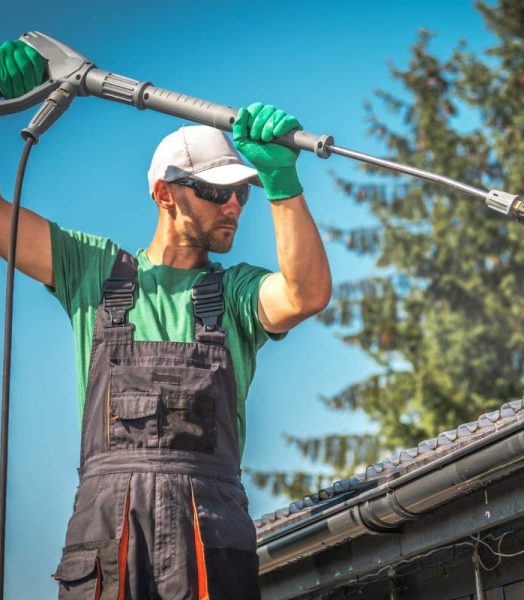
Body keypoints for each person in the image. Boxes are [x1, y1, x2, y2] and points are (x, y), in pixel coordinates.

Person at [0, 40, 331, 598]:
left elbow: (304, 295)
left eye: (241, 194)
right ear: (164, 193)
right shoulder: (93, 269)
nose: (232, 206)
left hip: (211, 528)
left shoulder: (236, 294)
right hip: (109, 532)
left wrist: (282, 183)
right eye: (213, 191)